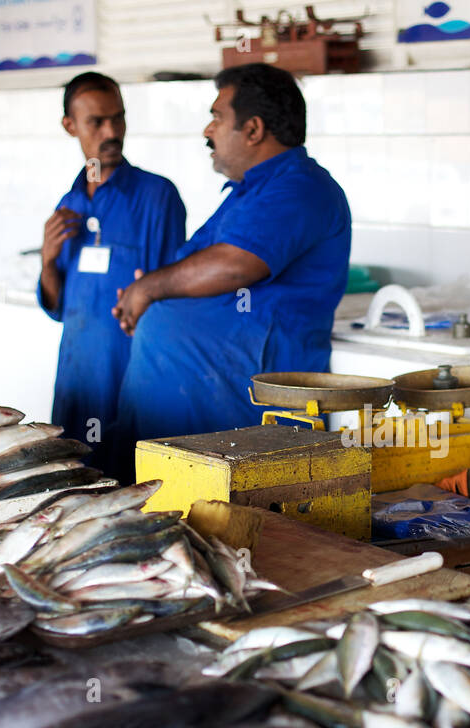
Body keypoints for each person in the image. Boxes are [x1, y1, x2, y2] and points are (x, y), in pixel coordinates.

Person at [110, 63, 351, 479]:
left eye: (217, 117)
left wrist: (150, 288)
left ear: (253, 129)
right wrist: (149, 293)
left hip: (237, 428)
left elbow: (236, 264)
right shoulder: (247, 192)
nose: (208, 130)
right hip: (189, 423)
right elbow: (203, 268)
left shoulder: (301, 188)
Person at [37, 71, 186, 475]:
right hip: (76, 377)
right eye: (96, 122)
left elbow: (170, 302)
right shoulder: (68, 203)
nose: (111, 131)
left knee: (127, 489)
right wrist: (48, 261)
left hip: (130, 379)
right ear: (70, 126)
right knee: (69, 483)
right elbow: (56, 307)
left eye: (118, 118)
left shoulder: (157, 197)